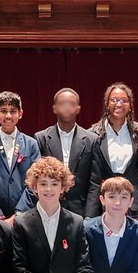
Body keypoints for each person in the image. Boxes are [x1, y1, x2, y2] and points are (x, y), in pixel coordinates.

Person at [0, 91, 41, 220]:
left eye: (13, 111)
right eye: (4, 111)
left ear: (20, 113)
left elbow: (36, 181)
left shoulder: (31, 144)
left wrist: (18, 214)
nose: (8, 115)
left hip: (25, 215)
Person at [34, 87, 98, 217]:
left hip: (81, 210)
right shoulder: (41, 138)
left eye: (72, 104)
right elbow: (36, 178)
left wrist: (89, 217)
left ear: (78, 109)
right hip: (48, 207)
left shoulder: (92, 139)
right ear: (54, 108)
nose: (67, 107)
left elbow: (94, 182)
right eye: (62, 103)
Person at [86, 81, 138, 218]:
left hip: (132, 202)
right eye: (114, 100)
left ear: (130, 106)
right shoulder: (93, 133)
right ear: (107, 104)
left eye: (124, 100)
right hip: (103, 202)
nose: (119, 104)